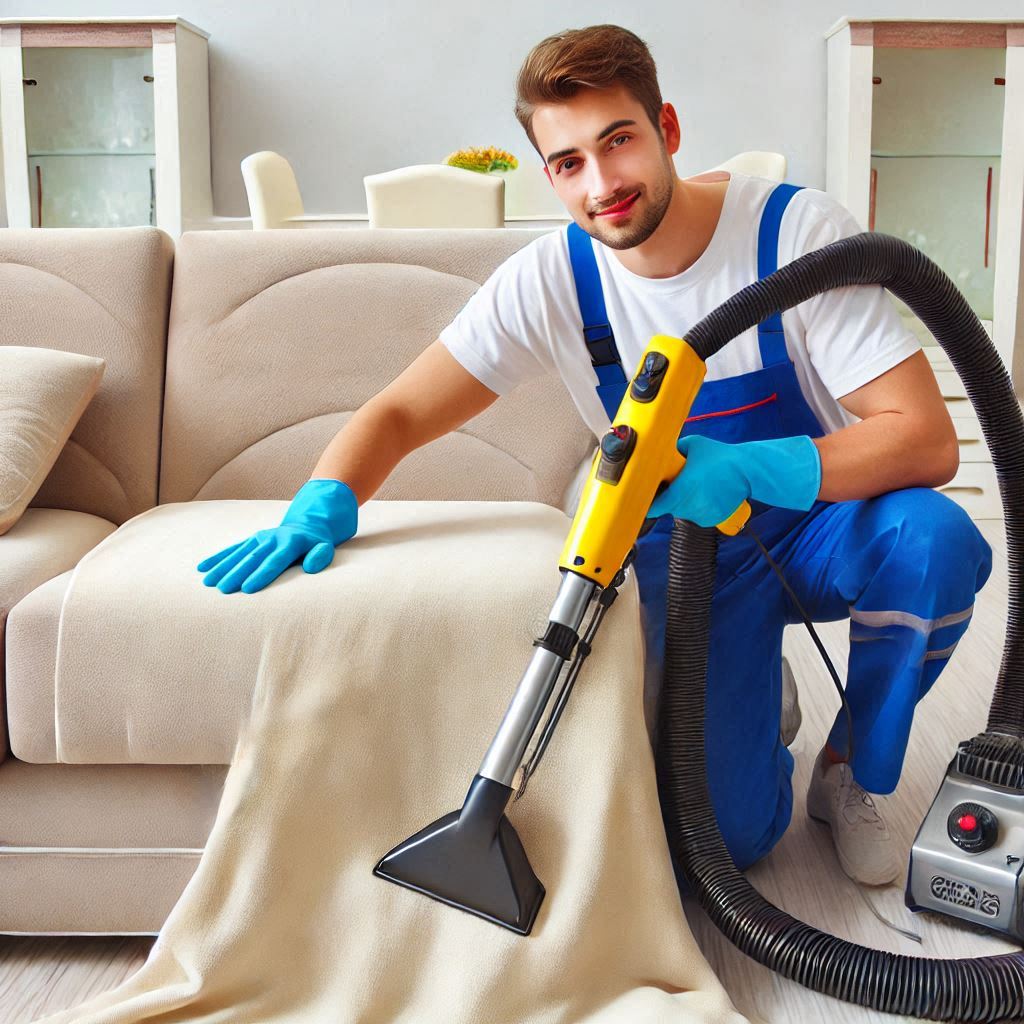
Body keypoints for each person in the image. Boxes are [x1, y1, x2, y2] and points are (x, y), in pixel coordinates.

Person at [196, 24, 992, 888]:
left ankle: (850, 774)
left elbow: (925, 436)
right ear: (548, 174)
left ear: (668, 130)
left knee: (934, 543)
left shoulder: (792, 232)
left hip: (818, 523)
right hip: (691, 560)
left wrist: (757, 469)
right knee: (730, 840)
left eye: (619, 142)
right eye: (569, 161)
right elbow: (398, 410)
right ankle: (759, 700)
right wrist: (324, 497)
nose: (602, 183)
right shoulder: (555, 278)